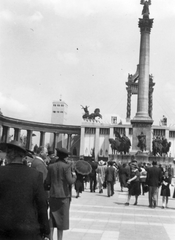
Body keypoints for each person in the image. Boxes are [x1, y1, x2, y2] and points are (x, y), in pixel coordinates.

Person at [0, 140, 50, 240]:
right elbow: (42, 204)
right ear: (23, 156)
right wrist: (45, 229)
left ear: (8, 155)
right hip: (28, 229)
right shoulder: (35, 175)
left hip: (2, 229)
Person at [44, 147, 76, 240]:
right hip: (63, 196)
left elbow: (47, 181)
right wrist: (74, 177)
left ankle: (51, 238)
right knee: (61, 220)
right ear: (65, 157)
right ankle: (59, 239)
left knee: (52, 218)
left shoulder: (51, 166)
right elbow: (70, 181)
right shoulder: (67, 166)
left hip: (53, 195)